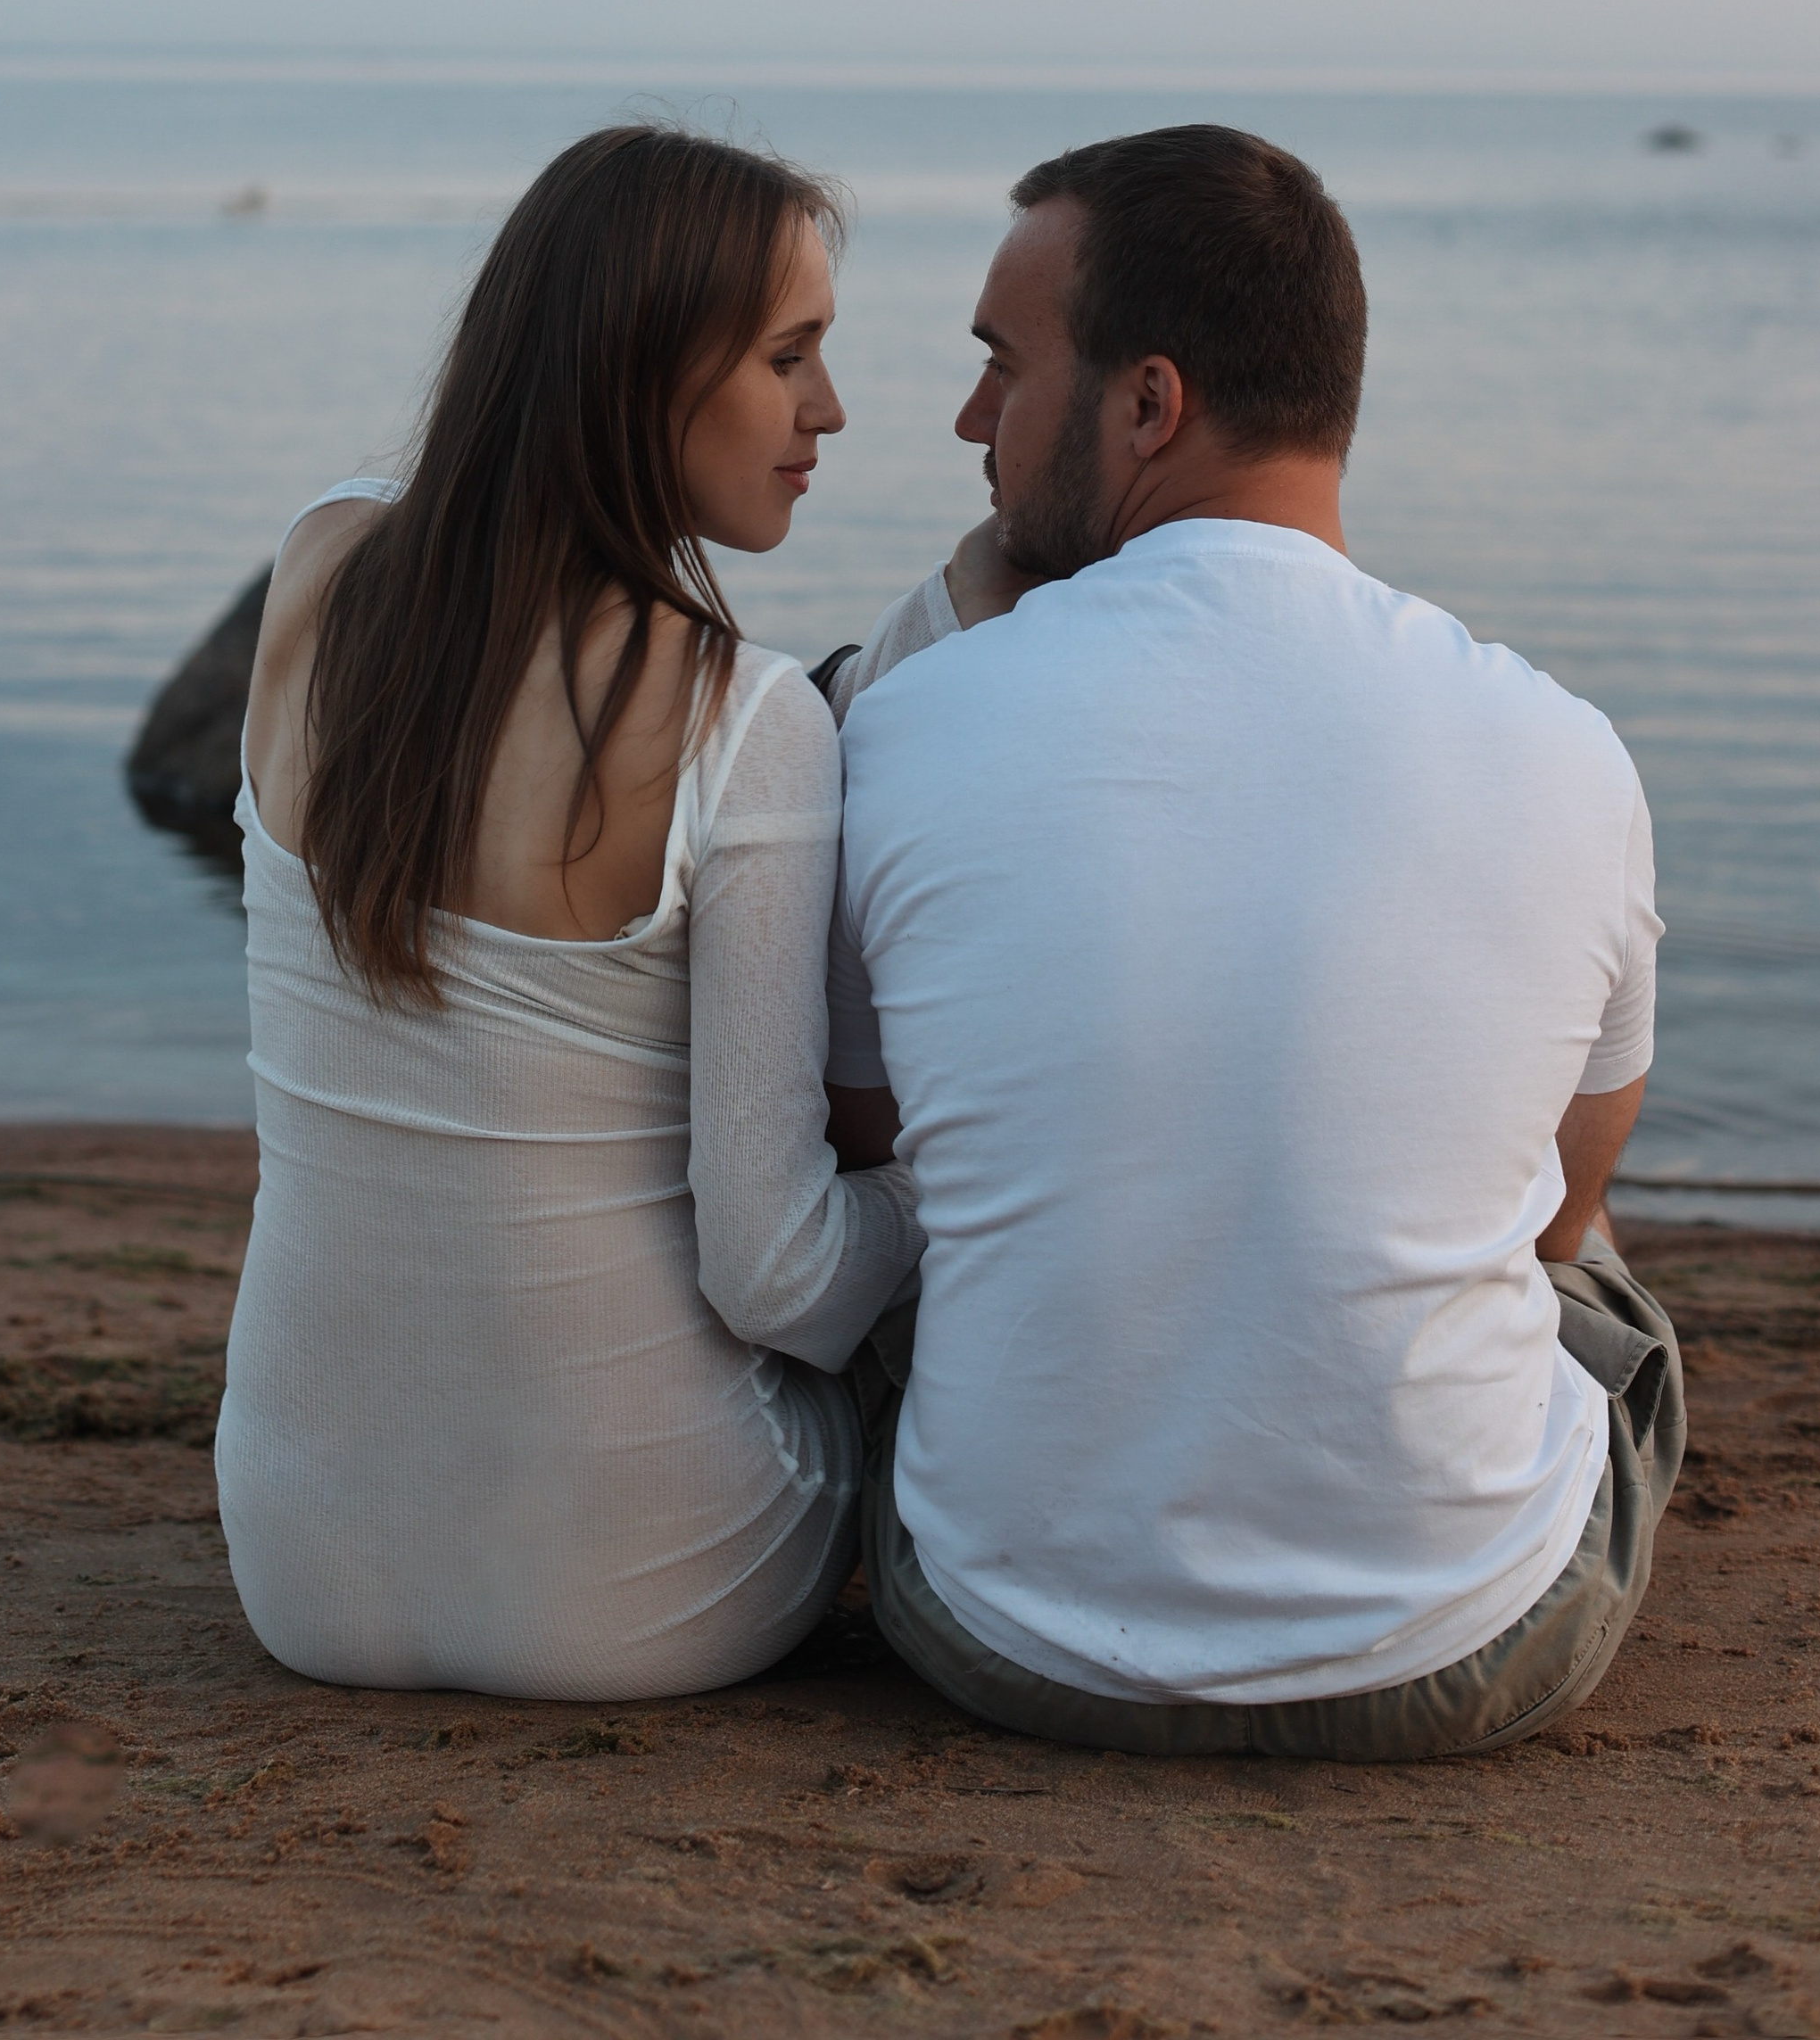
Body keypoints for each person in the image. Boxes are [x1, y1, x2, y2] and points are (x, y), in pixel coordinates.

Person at [823, 123, 1684, 1760]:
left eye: (1004, 367)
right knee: (1580, 1270)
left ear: (1149, 404)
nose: (966, 420)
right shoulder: (1564, 747)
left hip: (1005, 1636)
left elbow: (879, 1154)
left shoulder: (908, 724)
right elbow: (1565, 1214)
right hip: (1476, 1640)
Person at [217, 126, 922, 1699]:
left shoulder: (322, 565)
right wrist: (957, 1192)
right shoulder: (747, 724)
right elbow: (782, 1276)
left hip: (301, 1561)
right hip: (650, 1586)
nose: (830, 409)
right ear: (642, 372)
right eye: (790, 356)